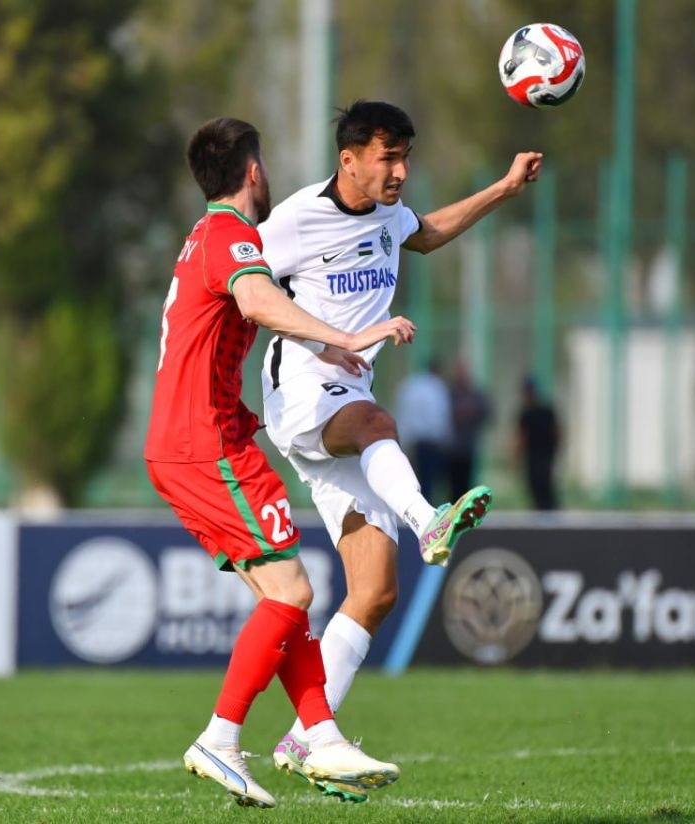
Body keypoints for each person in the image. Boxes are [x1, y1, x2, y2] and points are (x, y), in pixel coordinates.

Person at [257, 101, 542, 795]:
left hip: (339, 406)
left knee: (376, 592)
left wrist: (503, 188)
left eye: (406, 157)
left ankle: (304, 739)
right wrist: (322, 340)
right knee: (378, 425)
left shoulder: (390, 215)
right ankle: (429, 522)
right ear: (348, 157)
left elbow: (427, 231)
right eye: (388, 157)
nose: (401, 171)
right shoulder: (294, 220)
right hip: (299, 391)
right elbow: (239, 287)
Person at [143, 116, 414, 808]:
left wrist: (323, 348)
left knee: (282, 599)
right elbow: (259, 299)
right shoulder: (232, 234)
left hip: (196, 440)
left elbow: (256, 309)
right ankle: (220, 738)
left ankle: (320, 734)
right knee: (293, 593)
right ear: (254, 174)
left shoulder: (205, 238)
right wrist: (349, 333)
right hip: (205, 444)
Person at [393, 358, 452, 499]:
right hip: (429, 441)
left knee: (410, 477)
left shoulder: (411, 385)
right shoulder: (437, 388)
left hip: (410, 438)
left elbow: (402, 411)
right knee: (427, 480)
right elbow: (439, 416)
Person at [446, 360, 491, 502]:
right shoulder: (449, 393)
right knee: (452, 486)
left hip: (468, 447)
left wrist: (471, 414)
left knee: (465, 485)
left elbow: (486, 413)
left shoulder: (475, 394)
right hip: (451, 448)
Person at [515, 375, 561, 510]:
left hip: (541, 455)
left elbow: (522, 437)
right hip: (538, 454)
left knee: (542, 484)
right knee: (540, 485)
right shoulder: (536, 412)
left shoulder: (535, 412)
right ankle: (545, 509)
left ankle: (547, 509)